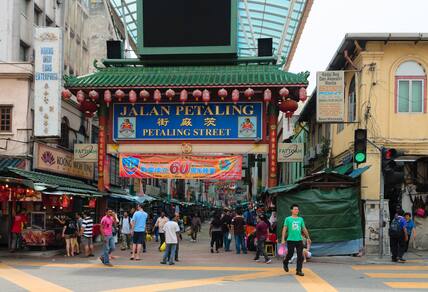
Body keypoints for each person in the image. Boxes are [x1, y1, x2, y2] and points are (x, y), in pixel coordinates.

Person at [281, 204, 311, 277]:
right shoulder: (288, 219)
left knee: (300, 256)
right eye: (295, 209)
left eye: (297, 209)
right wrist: (282, 239)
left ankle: (299, 270)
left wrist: (308, 237)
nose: (296, 210)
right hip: (290, 239)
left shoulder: (300, 219)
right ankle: (285, 262)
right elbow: (284, 229)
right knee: (290, 254)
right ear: (291, 210)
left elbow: (304, 228)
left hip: (299, 240)